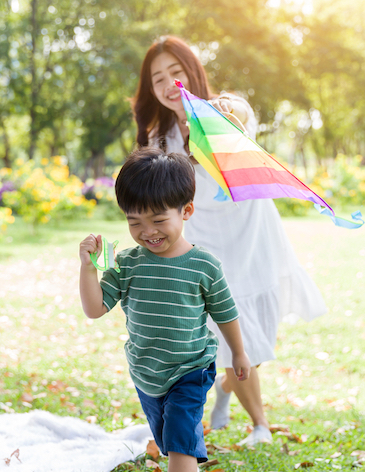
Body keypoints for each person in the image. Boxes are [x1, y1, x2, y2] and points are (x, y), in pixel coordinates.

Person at [132, 35, 327, 446]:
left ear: (192, 71)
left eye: (176, 72)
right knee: (232, 336)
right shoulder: (157, 139)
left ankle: (225, 393)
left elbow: (237, 114)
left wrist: (222, 111)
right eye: (158, 78)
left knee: (252, 340)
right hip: (207, 244)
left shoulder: (223, 109)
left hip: (253, 234)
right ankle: (261, 426)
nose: (168, 83)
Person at [79, 148, 251, 472]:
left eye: (158, 220)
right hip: (147, 372)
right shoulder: (127, 264)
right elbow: (95, 309)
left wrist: (239, 354)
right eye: (134, 222)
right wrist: (88, 268)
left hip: (191, 368)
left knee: (179, 438)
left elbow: (225, 313)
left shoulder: (204, 266)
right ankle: (184, 460)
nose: (147, 232)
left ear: (186, 210)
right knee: (166, 436)